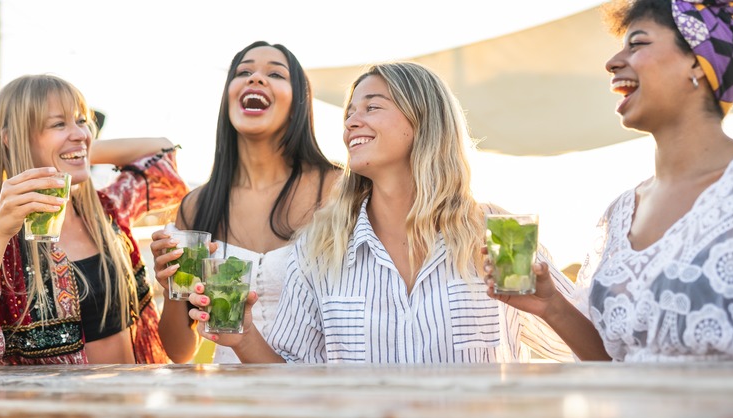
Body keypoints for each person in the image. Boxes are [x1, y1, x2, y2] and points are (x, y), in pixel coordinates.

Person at [187, 61, 578, 364]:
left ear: (424, 119)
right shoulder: (319, 248)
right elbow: (291, 376)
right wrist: (244, 338)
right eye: (349, 113)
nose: (351, 122)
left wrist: (553, 306)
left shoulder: (496, 232)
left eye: (372, 107)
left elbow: (588, 347)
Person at [486, 0, 733, 362]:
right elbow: (616, 362)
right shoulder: (620, 213)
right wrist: (550, 305)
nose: (612, 62)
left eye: (637, 43)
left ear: (697, 62)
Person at [0, 74, 189, 372]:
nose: (81, 132)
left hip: (133, 411)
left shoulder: (109, 210)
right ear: (11, 138)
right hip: (54, 416)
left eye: (82, 121)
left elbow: (163, 154)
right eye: (58, 124)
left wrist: (77, 151)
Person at [150, 41, 341, 364]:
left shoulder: (337, 189)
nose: (256, 79)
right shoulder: (197, 205)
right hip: (231, 400)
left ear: (298, 103)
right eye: (244, 72)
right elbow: (180, 352)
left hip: (319, 396)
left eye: (276, 74)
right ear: (229, 97)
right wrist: (171, 287)